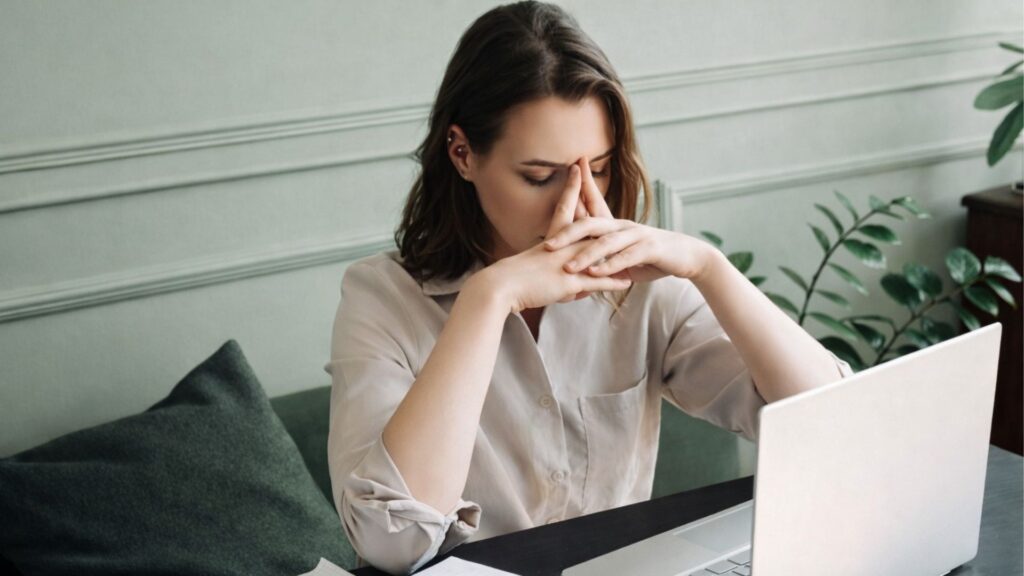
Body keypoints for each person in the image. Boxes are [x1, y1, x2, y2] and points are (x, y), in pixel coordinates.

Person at [324, 2, 853, 574]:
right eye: (539, 175)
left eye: (596, 168)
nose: (574, 203)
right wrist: (488, 299)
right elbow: (390, 544)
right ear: (463, 153)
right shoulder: (380, 298)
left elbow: (832, 426)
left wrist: (708, 266)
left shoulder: (641, 285)